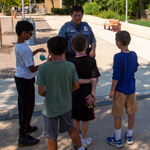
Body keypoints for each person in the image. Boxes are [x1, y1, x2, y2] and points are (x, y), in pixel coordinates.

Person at [36, 36, 85, 150]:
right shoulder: (70, 66)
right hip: (66, 105)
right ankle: (81, 148)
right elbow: (76, 85)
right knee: (70, 127)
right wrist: (66, 91)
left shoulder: (43, 68)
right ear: (64, 51)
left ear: (49, 51)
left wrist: (49, 93)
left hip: (50, 108)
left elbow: (41, 91)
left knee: (52, 136)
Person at [15, 20, 46, 147]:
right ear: (23, 33)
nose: (31, 35)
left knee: (23, 105)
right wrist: (46, 64)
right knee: (28, 107)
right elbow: (32, 68)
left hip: (20, 78)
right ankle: (23, 135)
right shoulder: (24, 49)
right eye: (30, 33)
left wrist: (36, 51)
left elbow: (25, 57)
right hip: (26, 80)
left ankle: (25, 126)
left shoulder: (19, 44)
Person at [106, 31, 139, 148]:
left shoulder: (118, 57)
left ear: (118, 43)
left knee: (118, 115)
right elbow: (135, 69)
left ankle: (118, 139)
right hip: (131, 89)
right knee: (131, 113)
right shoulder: (134, 54)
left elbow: (116, 76)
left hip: (120, 90)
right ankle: (129, 136)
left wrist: (112, 90)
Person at [70, 34, 100, 148]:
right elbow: (94, 79)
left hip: (75, 96)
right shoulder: (91, 61)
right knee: (85, 119)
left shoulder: (70, 62)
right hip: (88, 96)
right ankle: (83, 140)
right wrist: (92, 95)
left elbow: (73, 81)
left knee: (76, 118)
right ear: (87, 46)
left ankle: (76, 140)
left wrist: (84, 80)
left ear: (72, 48)